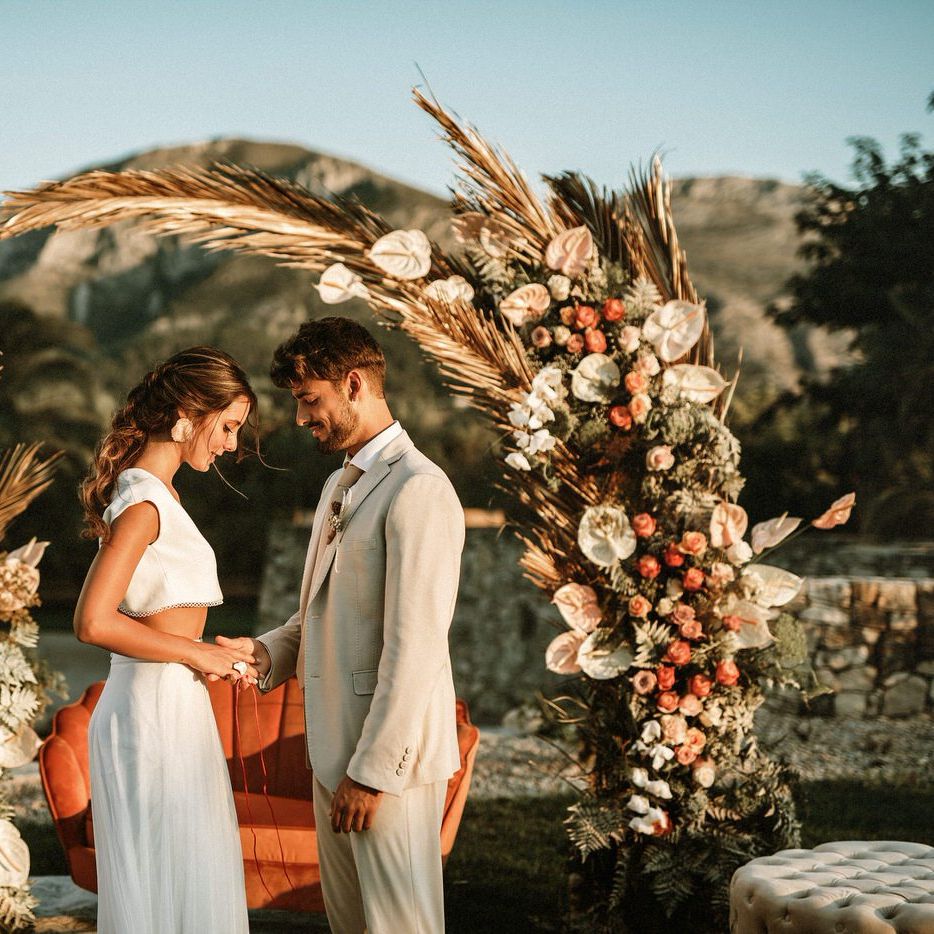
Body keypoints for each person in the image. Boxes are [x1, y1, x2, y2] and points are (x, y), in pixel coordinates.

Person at [219, 317, 464, 933]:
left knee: (398, 926)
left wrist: (372, 772)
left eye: (309, 400)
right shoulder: (338, 484)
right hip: (335, 756)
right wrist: (265, 652)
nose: (301, 419)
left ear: (354, 383)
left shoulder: (420, 490)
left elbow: (417, 647)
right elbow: (322, 609)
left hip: (386, 767)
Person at [74, 346, 260, 934]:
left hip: (172, 705)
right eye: (227, 426)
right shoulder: (144, 502)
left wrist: (214, 651)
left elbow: (163, 615)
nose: (231, 444)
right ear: (186, 413)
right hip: (148, 713)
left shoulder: (163, 496)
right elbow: (93, 622)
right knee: (162, 882)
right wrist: (197, 653)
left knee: (184, 878)